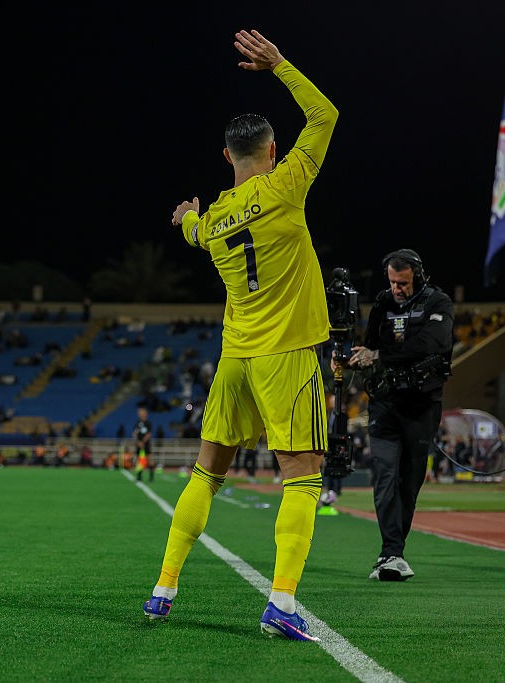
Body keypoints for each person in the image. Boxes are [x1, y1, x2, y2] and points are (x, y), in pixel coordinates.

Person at [142, 29, 337, 642]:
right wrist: (280, 65)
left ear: (227, 157)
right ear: (273, 150)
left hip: (234, 358)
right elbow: (325, 115)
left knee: (206, 472)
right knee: (302, 475)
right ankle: (281, 602)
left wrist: (186, 218)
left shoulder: (217, 219)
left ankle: (163, 589)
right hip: (287, 355)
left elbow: (194, 231)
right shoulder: (286, 185)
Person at [346, 249, 454, 581]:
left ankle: (394, 551)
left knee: (409, 485)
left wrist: (381, 355)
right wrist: (360, 359)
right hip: (385, 403)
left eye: (403, 283)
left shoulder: (439, 302)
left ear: (417, 277)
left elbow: (432, 344)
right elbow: (370, 346)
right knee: (384, 476)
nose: (397, 289)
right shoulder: (382, 302)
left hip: (422, 407)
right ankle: (390, 552)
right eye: (393, 282)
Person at [133, 406, 154, 482]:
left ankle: (151, 477)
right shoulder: (137, 423)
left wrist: (143, 442)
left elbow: (149, 434)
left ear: (145, 413)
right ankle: (139, 476)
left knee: (149, 459)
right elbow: (134, 433)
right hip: (139, 444)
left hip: (146, 444)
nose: (140, 414)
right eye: (139, 413)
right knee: (139, 460)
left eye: (141, 413)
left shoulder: (148, 423)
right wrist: (138, 442)